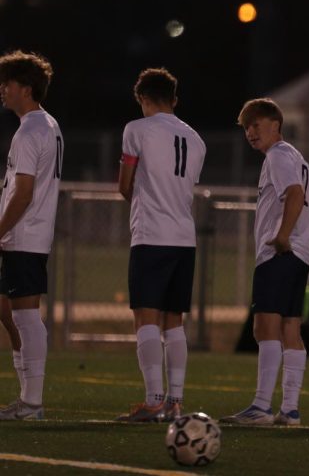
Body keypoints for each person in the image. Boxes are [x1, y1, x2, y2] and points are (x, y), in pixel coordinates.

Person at [222, 98, 309, 426]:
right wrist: (305, 241)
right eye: (246, 128)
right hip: (299, 255)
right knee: (290, 328)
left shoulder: (278, 156)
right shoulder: (299, 159)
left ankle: (262, 406)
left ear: (275, 125)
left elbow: (295, 194)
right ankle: (290, 409)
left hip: (279, 253)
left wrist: (283, 236)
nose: (250, 132)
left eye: (256, 125)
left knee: (265, 326)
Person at [115, 68, 206, 422]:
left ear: (142, 98)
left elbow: (125, 185)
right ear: (175, 99)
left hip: (152, 234)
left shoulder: (136, 130)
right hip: (185, 237)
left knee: (146, 317)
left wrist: (140, 199)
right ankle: (175, 401)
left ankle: (153, 400)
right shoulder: (196, 138)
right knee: (174, 322)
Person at [0, 51, 62, 421]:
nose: (2, 90)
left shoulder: (30, 130)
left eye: (7, 83)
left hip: (24, 235)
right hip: (26, 235)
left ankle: (32, 402)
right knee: (11, 312)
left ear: (25, 88)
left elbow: (23, 192)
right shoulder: (46, 124)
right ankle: (27, 400)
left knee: (25, 316)